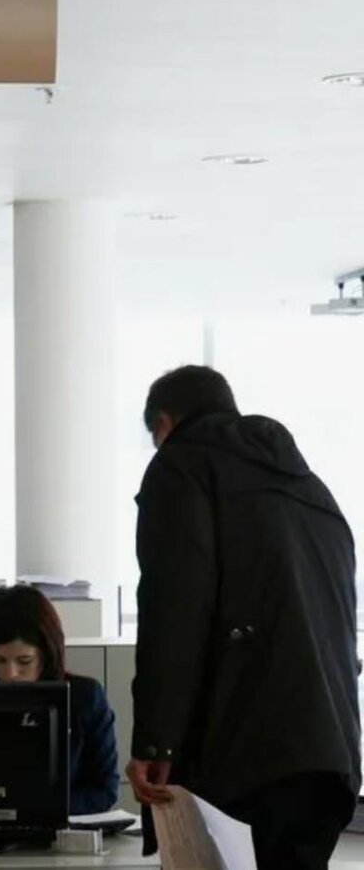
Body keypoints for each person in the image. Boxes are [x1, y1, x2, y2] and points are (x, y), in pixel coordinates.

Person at [129, 365, 360, 870]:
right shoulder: (313, 489)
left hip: (243, 752)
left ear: (164, 423)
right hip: (330, 755)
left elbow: (175, 609)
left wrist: (155, 740)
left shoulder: (181, 467)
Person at [0, 584, 119, 814]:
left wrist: (38, 807)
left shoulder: (84, 698)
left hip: (60, 826)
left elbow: (105, 791)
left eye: (24, 661)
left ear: (47, 653)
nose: (11, 674)